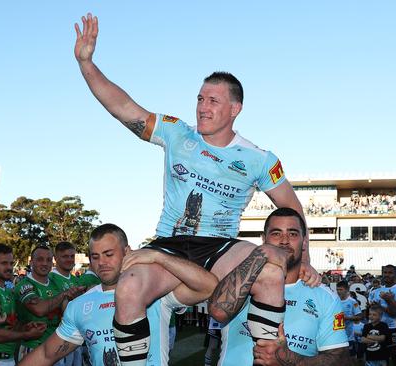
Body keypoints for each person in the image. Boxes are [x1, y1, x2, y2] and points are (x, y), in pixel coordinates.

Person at [73, 12, 318, 365]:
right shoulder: (177, 133)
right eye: (200, 99)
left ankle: (267, 357)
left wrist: (305, 261)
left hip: (219, 247)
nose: (202, 107)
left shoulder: (259, 158)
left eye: (213, 101)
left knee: (268, 269)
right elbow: (122, 107)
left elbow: (292, 211)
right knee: (128, 288)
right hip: (168, 243)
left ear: (235, 109)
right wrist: (86, 63)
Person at [17, 223, 218, 366]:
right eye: (95, 257)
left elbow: (208, 287)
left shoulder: (153, 294)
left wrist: (159, 256)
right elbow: (46, 354)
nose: (102, 262)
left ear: (127, 252)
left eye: (109, 254)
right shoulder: (79, 305)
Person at [213, 208, 349, 365]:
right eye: (276, 233)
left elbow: (341, 360)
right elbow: (218, 311)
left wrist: (290, 360)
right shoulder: (240, 282)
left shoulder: (326, 297)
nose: (284, 240)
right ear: (263, 240)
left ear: (304, 241)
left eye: (292, 234)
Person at [0, 243, 46, 365]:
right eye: (4, 263)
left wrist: (26, 327)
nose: (9, 267)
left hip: (7, 358)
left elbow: (9, 325)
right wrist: (26, 334)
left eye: (11, 263)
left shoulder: (6, 290)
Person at [14, 245, 85, 362]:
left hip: (55, 347)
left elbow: (66, 312)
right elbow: (39, 309)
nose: (45, 263)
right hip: (33, 348)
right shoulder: (25, 285)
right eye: (40, 259)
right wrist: (64, 295)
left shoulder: (54, 284)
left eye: (48, 260)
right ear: (31, 262)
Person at [49, 241, 84, 366]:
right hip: (58, 338)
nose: (70, 260)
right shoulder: (50, 278)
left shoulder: (75, 280)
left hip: (76, 338)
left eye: (72, 256)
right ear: (56, 258)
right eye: (65, 256)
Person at [337, 280, 363, 362]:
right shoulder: (334, 300)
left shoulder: (353, 302)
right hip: (336, 335)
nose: (338, 291)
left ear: (346, 290)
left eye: (340, 289)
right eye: (337, 289)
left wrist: (346, 318)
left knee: (351, 358)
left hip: (348, 336)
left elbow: (359, 316)